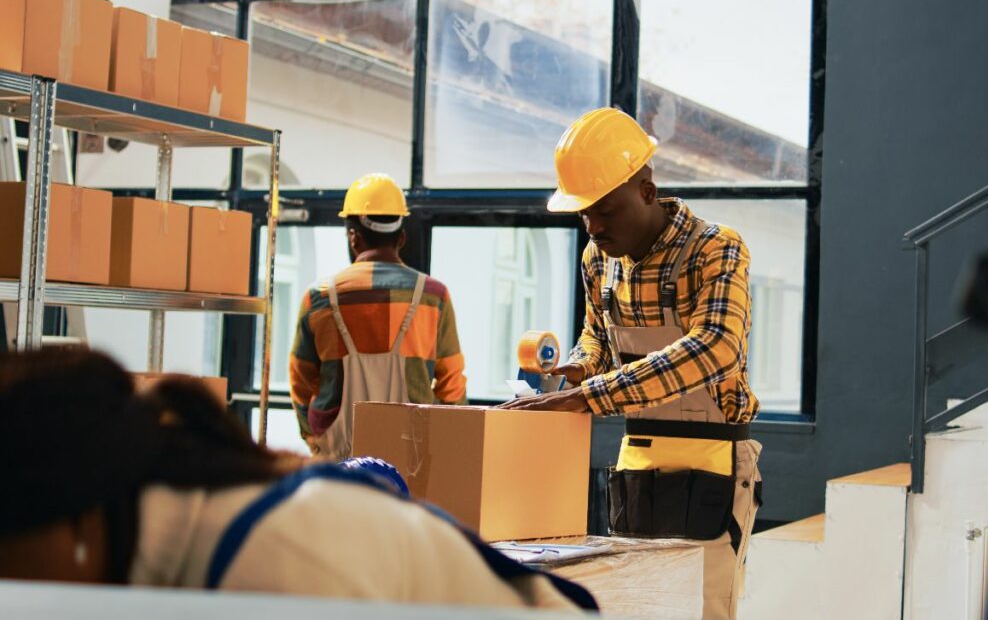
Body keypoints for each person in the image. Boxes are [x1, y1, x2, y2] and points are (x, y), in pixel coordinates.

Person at [0, 348, 595, 613]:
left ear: (77, 516)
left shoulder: (280, 561)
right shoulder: (159, 541)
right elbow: (451, 384)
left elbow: (304, 385)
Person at [500, 107, 762, 620]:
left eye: (605, 210)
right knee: (633, 607)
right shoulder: (598, 260)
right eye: (583, 213)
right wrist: (575, 370)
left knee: (702, 611)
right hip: (637, 462)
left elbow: (714, 346)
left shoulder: (716, 249)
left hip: (712, 463)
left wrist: (587, 396)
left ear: (646, 189)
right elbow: (597, 338)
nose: (593, 226)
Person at [289, 173, 467, 459]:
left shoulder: (319, 297)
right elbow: (452, 384)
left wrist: (311, 435)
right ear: (402, 237)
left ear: (353, 236)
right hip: (413, 453)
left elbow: (300, 380)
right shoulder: (434, 297)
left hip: (337, 454)